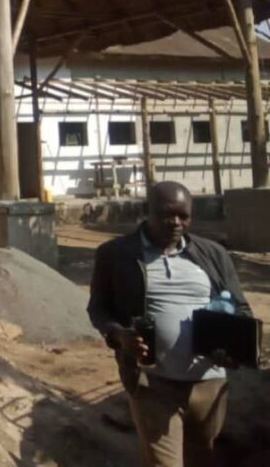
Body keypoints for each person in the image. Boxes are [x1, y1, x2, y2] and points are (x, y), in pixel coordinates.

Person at [88, 181, 252, 467]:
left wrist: (231, 344)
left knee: (203, 459)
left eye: (184, 215)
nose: (176, 223)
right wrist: (119, 336)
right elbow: (98, 309)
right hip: (153, 384)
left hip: (208, 384)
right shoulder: (116, 255)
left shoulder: (213, 255)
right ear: (147, 211)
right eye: (167, 214)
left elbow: (241, 308)